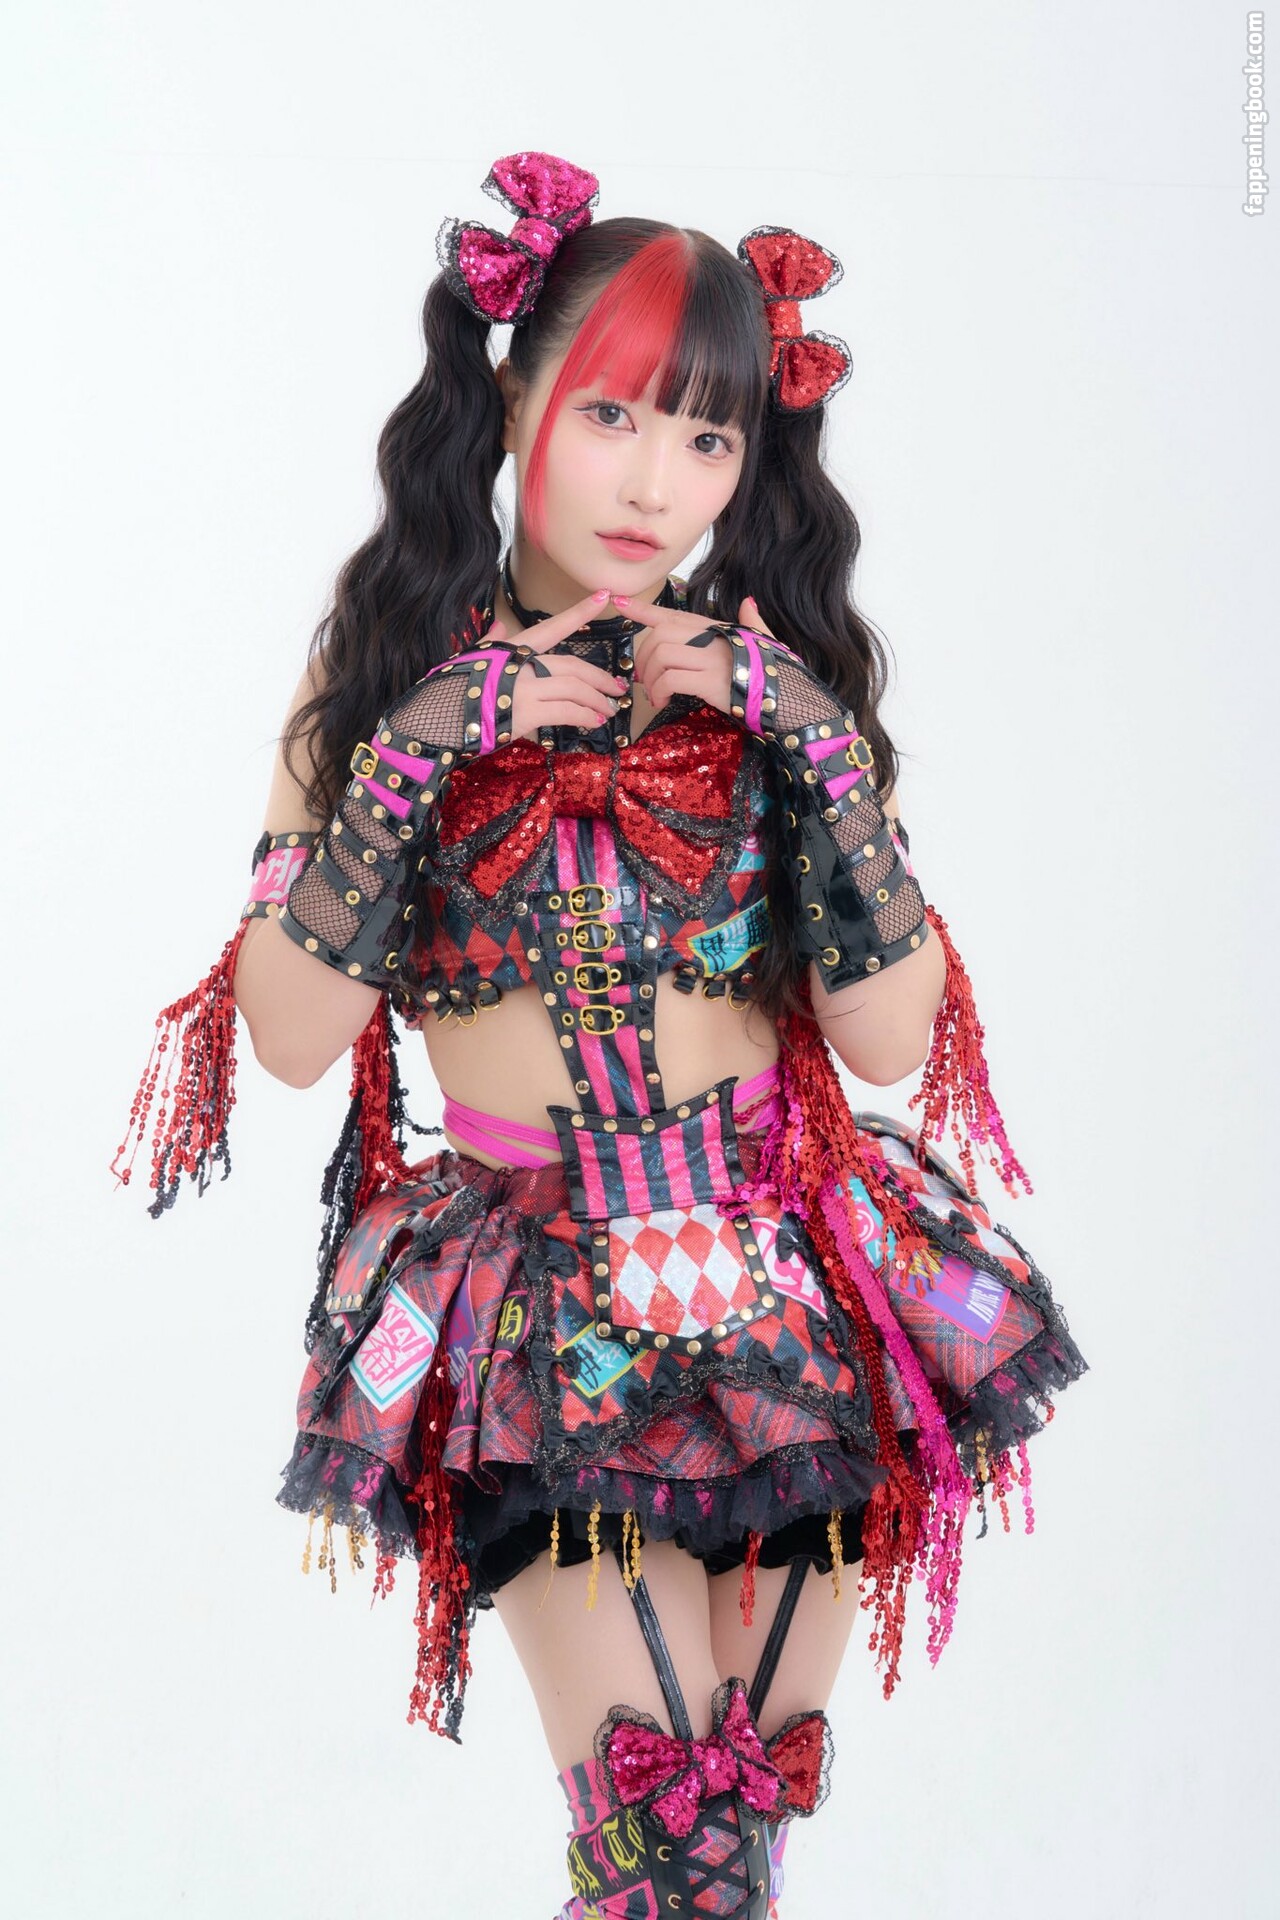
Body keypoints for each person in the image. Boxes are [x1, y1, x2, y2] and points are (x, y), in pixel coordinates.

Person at [116, 152, 1088, 1920]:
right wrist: (424, 746)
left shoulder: (769, 669)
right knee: (665, 1850)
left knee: (736, 1848)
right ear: (515, 397)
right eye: (614, 414)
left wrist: (812, 739)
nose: (656, 485)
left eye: (708, 437)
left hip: (788, 1289)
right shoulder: (381, 671)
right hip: (540, 1313)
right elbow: (288, 1035)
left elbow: (889, 1042)